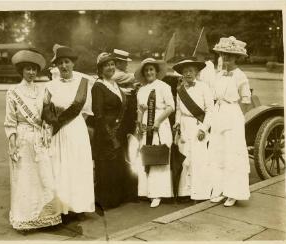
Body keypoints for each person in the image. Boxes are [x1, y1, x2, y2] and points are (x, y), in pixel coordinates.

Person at [4, 49, 61, 230]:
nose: (31, 73)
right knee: (25, 179)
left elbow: (47, 116)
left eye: (34, 69)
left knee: (44, 177)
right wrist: (12, 145)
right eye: (28, 69)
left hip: (40, 139)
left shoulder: (42, 91)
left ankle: (45, 217)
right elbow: (10, 122)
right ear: (22, 70)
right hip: (23, 139)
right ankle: (25, 220)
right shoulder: (13, 92)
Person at [42, 45, 95, 215]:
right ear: (56, 66)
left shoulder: (84, 83)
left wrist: (74, 127)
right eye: (60, 63)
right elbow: (45, 110)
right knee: (60, 167)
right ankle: (62, 208)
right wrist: (55, 124)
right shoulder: (50, 86)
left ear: (73, 64)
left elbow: (86, 112)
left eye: (67, 62)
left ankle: (77, 207)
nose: (64, 66)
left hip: (77, 131)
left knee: (77, 166)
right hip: (58, 132)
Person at [209, 36, 252, 207]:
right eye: (223, 55)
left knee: (232, 154)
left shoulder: (241, 76)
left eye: (230, 56)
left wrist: (236, 117)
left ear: (236, 58)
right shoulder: (219, 75)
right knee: (218, 152)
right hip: (219, 114)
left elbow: (246, 100)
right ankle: (220, 190)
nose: (226, 58)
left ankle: (233, 193)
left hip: (232, 115)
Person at [91, 52, 135, 209]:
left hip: (119, 131)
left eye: (112, 65)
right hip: (106, 133)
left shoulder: (115, 85)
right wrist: (110, 135)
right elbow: (98, 114)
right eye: (106, 65)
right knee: (107, 167)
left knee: (118, 166)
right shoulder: (98, 86)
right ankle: (107, 200)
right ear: (100, 69)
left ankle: (119, 197)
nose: (110, 68)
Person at [134, 58, 175, 208]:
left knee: (158, 155)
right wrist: (138, 123)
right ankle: (146, 191)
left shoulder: (164, 87)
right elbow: (139, 109)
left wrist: (157, 121)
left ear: (156, 72)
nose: (149, 72)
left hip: (160, 124)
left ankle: (158, 193)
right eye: (146, 70)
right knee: (146, 155)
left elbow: (171, 107)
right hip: (145, 126)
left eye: (151, 69)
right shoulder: (141, 89)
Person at [172, 58, 214, 201]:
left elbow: (210, 109)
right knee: (184, 158)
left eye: (191, 71)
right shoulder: (180, 89)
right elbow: (178, 109)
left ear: (196, 72)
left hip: (198, 126)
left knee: (198, 159)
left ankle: (200, 192)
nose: (188, 74)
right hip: (184, 125)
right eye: (185, 71)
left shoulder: (204, 87)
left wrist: (204, 128)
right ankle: (185, 192)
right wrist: (177, 123)